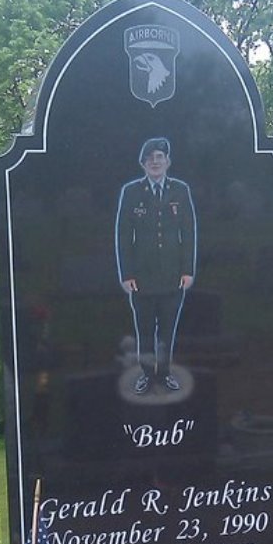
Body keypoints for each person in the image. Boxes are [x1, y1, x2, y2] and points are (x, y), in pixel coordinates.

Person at [115, 137, 196, 394]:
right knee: (145, 330)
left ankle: (165, 373)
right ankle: (147, 375)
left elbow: (189, 231)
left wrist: (188, 270)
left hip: (173, 275)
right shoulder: (131, 192)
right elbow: (123, 235)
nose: (155, 162)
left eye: (159, 157)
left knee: (168, 330)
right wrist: (126, 274)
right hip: (142, 276)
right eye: (149, 158)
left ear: (167, 161)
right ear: (143, 163)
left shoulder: (180, 190)